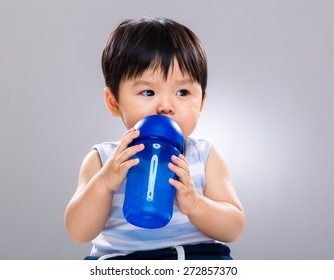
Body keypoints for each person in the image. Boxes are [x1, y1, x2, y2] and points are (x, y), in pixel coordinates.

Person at [64, 17, 245, 260]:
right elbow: (78, 232)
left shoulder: (205, 157)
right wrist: (105, 183)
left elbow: (234, 227)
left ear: (201, 102)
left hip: (195, 259)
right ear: (114, 102)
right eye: (148, 92)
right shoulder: (103, 159)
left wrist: (196, 205)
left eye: (183, 92)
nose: (166, 106)